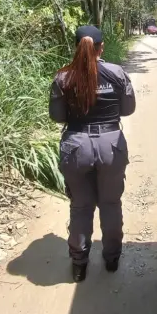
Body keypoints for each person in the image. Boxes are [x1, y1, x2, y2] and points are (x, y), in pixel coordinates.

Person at [49, 25, 136, 282]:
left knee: (81, 207)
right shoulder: (117, 73)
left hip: (76, 146)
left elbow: (57, 117)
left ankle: (79, 264)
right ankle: (111, 258)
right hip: (110, 145)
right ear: (101, 47)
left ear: (77, 47)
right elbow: (128, 109)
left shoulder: (62, 78)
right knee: (110, 204)